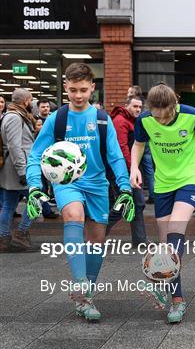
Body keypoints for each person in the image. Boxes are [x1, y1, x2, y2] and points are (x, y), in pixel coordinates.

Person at [26, 63, 135, 321]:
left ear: (92, 88)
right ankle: (79, 283)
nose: (77, 95)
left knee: (97, 242)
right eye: (73, 89)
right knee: (73, 216)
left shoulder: (101, 119)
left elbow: (116, 157)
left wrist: (125, 187)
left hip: (97, 185)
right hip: (68, 182)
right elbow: (36, 155)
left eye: (83, 90)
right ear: (65, 87)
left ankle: (86, 300)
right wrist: (34, 186)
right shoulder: (57, 119)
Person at [130, 83, 195, 323]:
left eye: (166, 115)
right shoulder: (145, 120)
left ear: (174, 105)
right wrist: (134, 169)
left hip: (190, 178)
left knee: (174, 231)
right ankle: (176, 300)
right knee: (165, 243)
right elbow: (138, 144)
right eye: (156, 116)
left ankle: (156, 281)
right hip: (162, 183)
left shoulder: (191, 114)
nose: (161, 121)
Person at [0, 89, 38, 252]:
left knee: (8, 204)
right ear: (25, 102)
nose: (32, 103)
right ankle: (20, 234)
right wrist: (22, 171)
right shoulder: (15, 118)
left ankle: (4, 238)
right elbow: (15, 146)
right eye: (31, 100)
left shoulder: (12, 115)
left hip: (12, 167)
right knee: (37, 201)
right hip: (18, 168)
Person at [107, 93, 148, 245]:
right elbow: (121, 148)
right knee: (128, 203)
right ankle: (97, 234)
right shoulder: (120, 121)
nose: (138, 109)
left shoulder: (131, 121)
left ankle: (140, 240)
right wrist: (133, 169)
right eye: (135, 106)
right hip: (123, 171)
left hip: (128, 169)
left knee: (136, 204)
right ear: (126, 106)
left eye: (140, 107)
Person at [129, 86, 156, 204]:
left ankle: (139, 197)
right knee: (149, 171)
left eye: (130, 92)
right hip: (147, 143)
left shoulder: (135, 107)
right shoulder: (144, 108)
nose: (128, 93)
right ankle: (153, 195)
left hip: (141, 143)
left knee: (138, 169)